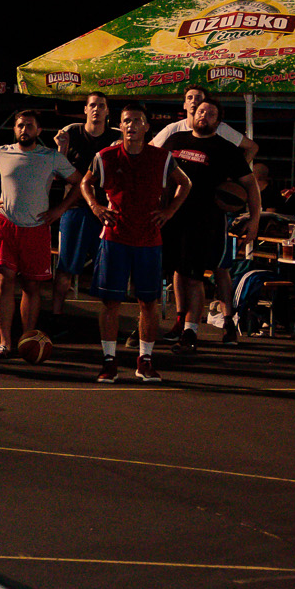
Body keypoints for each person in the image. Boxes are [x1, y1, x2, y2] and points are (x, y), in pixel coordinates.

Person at [81, 103, 191, 383]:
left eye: (137, 120)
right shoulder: (105, 156)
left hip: (148, 239)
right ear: (120, 125)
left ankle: (145, 360)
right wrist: (95, 206)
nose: (131, 125)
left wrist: (170, 211)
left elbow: (185, 183)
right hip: (115, 237)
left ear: (146, 126)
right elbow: (85, 183)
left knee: (148, 302)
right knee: (111, 302)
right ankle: (109, 361)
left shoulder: (161, 157)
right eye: (127, 121)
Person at [0, 110, 81, 357]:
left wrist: (60, 209)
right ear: (15, 129)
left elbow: (79, 181)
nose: (24, 130)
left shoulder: (50, 157)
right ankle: (5, 342)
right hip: (6, 224)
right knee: (4, 280)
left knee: (31, 286)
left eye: (29, 126)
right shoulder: (1, 152)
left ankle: (27, 340)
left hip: (36, 228)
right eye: (20, 125)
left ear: (38, 131)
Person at [157, 98, 263, 347]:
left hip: (206, 220)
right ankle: (180, 321)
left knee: (196, 276)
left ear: (218, 121)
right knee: (178, 272)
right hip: (173, 216)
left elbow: (250, 185)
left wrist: (255, 219)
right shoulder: (175, 140)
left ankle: (192, 331)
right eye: (201, 111)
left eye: (211, 113)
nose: (204, 115)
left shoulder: (225, 149)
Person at [51, 93, 118, 329]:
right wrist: (61, 148)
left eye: (101, 106)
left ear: (107, 111)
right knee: (66, 266)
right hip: (76, 207)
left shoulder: (117, 137)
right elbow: (56, 173)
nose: (96, 109)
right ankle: (56, 317)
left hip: (107, 211)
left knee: (110, 269)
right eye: (92, 105)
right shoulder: (71, 132)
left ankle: (108, 323)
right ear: (85, 109)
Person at [149, 84, 260, 162]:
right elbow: (148, 150)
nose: (193, 101)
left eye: (198, 98)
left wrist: (236, 173)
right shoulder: (173, 129)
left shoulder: (219, 127)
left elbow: (252, 147)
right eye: (189, 98)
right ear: (184, 105)